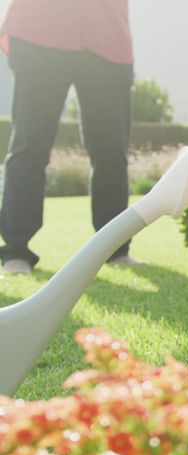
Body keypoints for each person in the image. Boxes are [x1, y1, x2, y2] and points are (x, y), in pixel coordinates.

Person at [0, 0, 138, 275]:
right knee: (29, 146)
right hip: (40, 31)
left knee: (111, 151)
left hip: (108, 37)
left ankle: (115, 249)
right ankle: (16, 250)